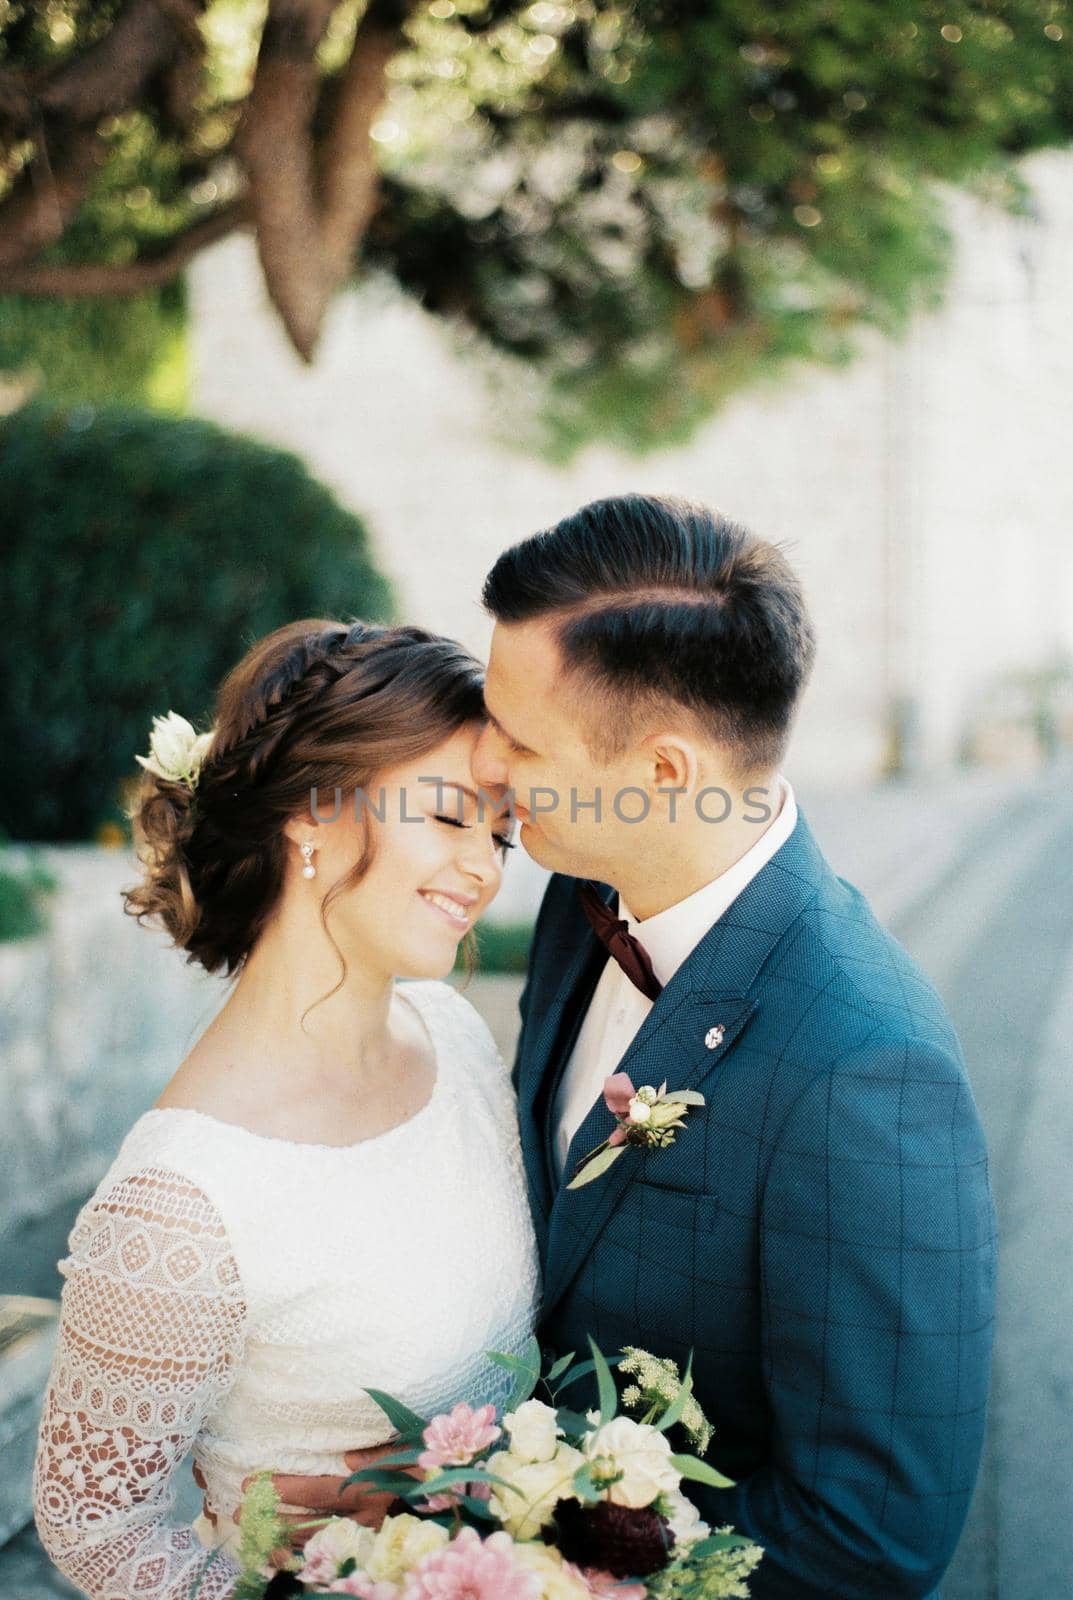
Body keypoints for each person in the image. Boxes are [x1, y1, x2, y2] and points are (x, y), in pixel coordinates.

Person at [278, 493, 997, 1599]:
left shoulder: (864, 1067)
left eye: (519, 739)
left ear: (663, 772)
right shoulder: (583, 895)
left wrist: (510, 1566)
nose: (486, 763)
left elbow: (867, 1536)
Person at [32, 619, 539, 1600]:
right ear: (309, 810)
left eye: (499, 832)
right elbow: (95, 1529)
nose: (483, 867)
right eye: (446, 816)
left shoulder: (458, 1038)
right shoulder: (180, 1204)